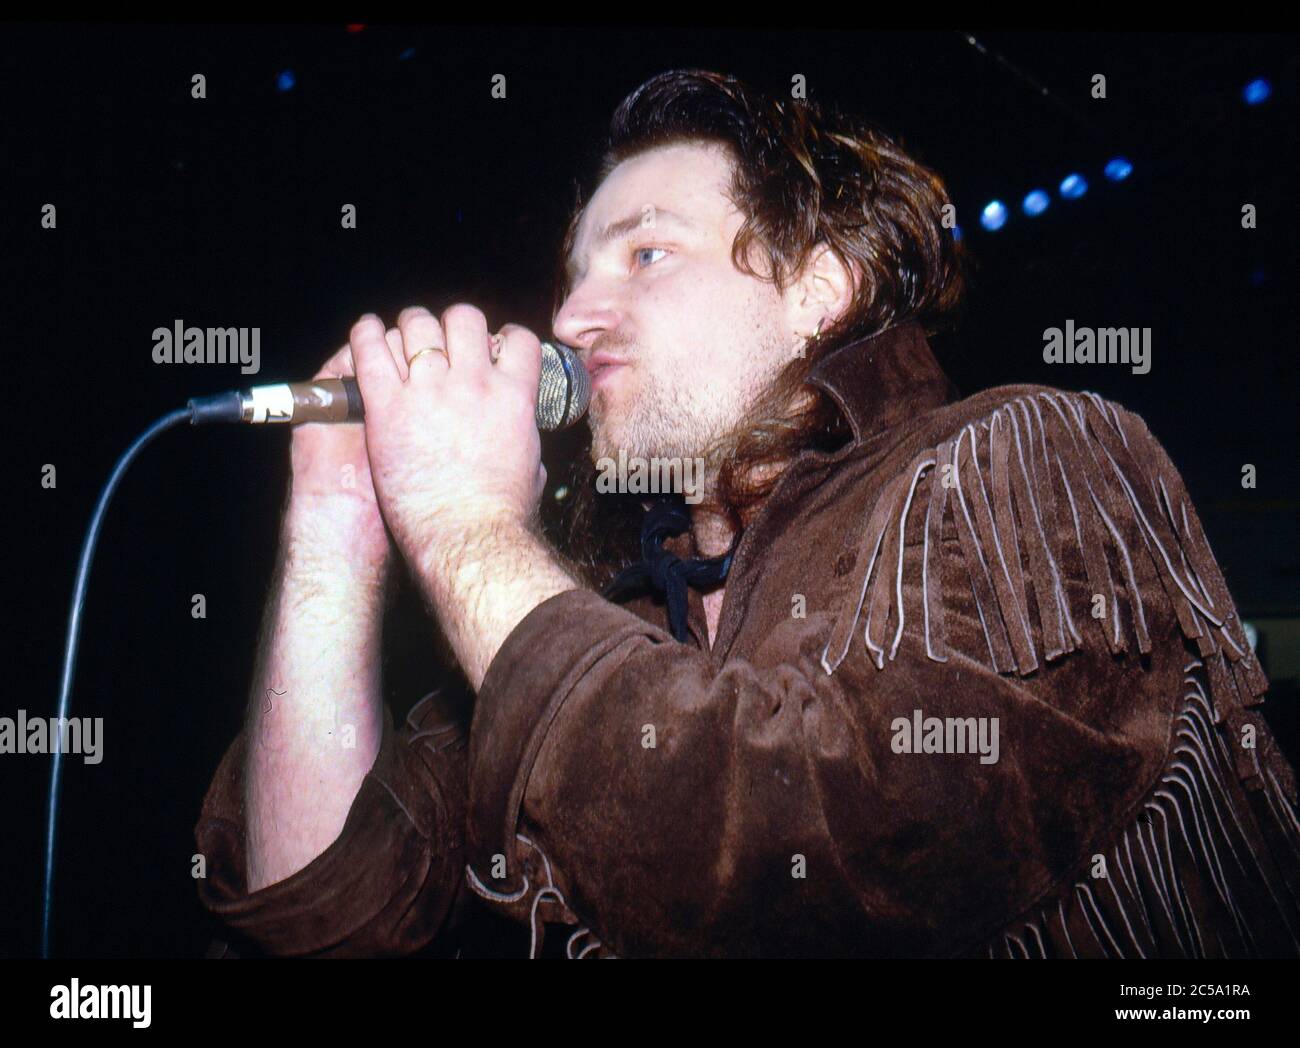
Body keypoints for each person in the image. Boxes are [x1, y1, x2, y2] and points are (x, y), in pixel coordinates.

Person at [194, 69, 1300, 959]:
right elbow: (322, 906)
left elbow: (842, 865)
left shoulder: (1029, 451)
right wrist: (336, 527)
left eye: (646, 253)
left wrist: (462, 522)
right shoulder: (587, 604)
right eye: (574, 272)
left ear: (818, 287)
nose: (573, 312)